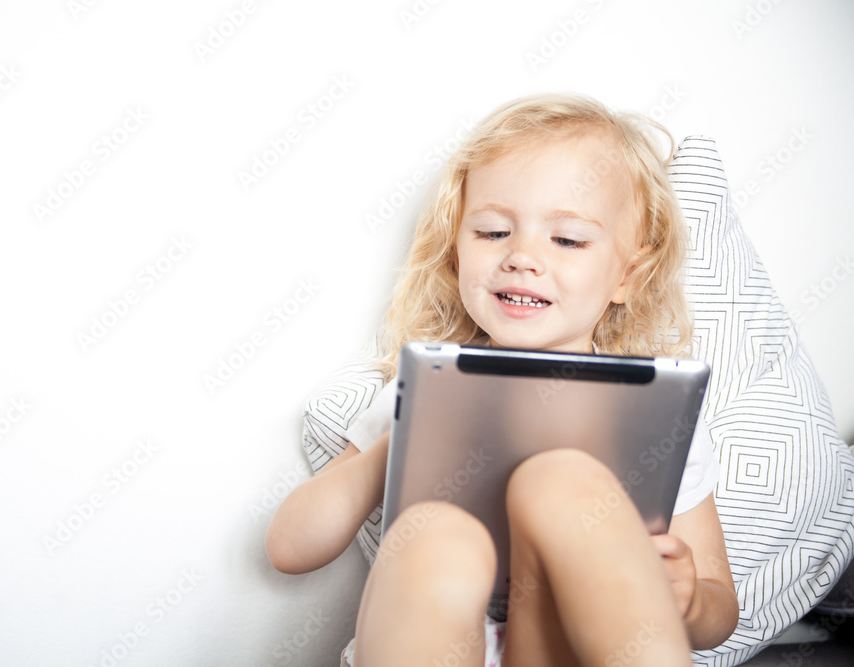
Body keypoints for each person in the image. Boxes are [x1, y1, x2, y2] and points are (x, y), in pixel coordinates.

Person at [265, 93, 740, 666]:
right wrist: (400, 441)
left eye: (566, 240)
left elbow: (719, 609)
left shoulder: (656, 416)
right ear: (455, 253)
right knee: (438, 535)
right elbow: (289, 548)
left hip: (559, 648)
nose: (522, 257)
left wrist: (688, 603)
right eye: (492, 233)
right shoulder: (421, 390)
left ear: (629, 276)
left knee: (566, 484)